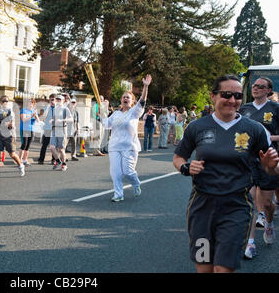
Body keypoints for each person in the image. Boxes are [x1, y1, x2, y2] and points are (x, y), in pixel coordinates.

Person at [173, 74, 275, 273]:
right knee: (204, 268)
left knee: (223, 269)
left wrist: (270, 166)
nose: (233, 100)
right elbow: (179, 157)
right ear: (213, 96)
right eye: (226, 95)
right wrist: (186, 168)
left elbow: (272, 168)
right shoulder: (196, 127)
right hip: (202, 206)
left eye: (237, 96)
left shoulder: (254, 129)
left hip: (236, 206)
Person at [238, 76, 279, 258]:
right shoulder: (244, 109)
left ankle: (269, 223)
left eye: (261, 86)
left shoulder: (275, 108)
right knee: (251, 198)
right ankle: (251, 242)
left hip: (270, 159)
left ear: (268, 91)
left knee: (267, 204)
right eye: (254, 85)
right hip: (249, 158)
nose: (256, 88)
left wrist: (268, 138)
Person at [100, 74, 152, 202]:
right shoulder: (116, 114)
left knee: (128, 172)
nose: (125, 98)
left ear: (132, 101)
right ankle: (118, 194)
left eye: (128, 97)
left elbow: (142, 101)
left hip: (129, 147)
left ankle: (136, 183)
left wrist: (145, 86)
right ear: (121, 100)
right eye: (123, 97)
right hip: (114, 147)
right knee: (116, 173)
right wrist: (102, 114)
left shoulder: (135, 112)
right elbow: (106, 125)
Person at [0, 95, 25, 180]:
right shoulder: (1, 111)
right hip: (0, 134)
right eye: (3, 101)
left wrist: (9, 124)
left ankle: (20, 165)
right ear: (1, 103)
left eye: (6, 101)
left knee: (12, 154)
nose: (5, 102)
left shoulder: (11, 112)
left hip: (9, 135)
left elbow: (11, 124)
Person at [50, 95, 73, 171]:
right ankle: (58, 161)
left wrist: (62, 120)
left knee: (61, 149)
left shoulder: (65, 109)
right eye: (57, 99)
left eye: (60, 99)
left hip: (62, 130)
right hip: (54, 129)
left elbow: (71, 119)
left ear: (63, 100)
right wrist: (52, 120)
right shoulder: (55, 109)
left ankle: (64, 164)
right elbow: (54, 117)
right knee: (52, 147)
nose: (58, 100)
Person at [19, 97, 39, 166]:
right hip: (24, 129)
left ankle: (25, 160)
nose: (31, 103)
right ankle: (19, 160)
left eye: (32, 102)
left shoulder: (33, 111)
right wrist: (31, 116)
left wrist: (36, 116)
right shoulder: (24, 110)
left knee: (28, 146)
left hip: (31, 129)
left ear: (34, 104)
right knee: (24, 144)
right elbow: (23, 120)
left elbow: (38, 121)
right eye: (30, 102)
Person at [37, 93, 56, 165]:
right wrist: (48, 107)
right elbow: (43, 117)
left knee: (53, 145)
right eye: (50, 99)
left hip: (54, 129)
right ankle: (41, 159)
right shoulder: (46, 107)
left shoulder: (58, 108)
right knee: (44, 145)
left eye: (53, 100)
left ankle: (53, 159)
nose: (51, 101)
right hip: (47, 129)